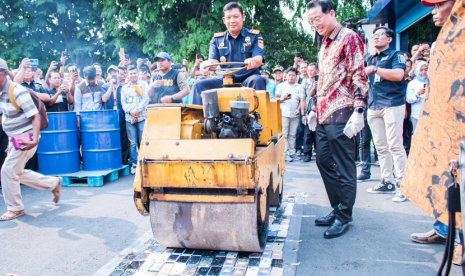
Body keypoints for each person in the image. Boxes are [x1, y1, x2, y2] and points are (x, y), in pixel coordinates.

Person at [306, 0, 368, 239]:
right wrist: (313, 108)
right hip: (323, 113)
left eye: (318, 18)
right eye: (311, 21)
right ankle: (337, 208)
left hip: (343, 113)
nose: (315, 24)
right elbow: (322, 79)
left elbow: (358, 74)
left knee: (344, 167)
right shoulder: (324, 43)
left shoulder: (348, 37)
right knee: (322, 160)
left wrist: (359, 109)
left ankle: (344, 216)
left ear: (331, 13)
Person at [410, 0, 461, 265]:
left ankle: (460, 242)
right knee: (445, 179)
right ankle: (443, 229)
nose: (433, 11)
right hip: (443, 124)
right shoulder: (449, 34)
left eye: (440, 4)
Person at [0, 58, 62, 221]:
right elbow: (7, 118)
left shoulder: (17, 91)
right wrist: (10, 141)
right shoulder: (1, 92)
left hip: (26, 137)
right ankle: (52, 183)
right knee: (16, 172)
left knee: (7, 171)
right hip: (15, 139)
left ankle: (15, 208)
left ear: (4, 74)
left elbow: (35, 116)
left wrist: (34, 139)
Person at [189, 2, 266, 105]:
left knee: (258, 80)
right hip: (224, 79)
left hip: (247, 79)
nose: (232, 21)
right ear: (224, 20)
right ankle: (197, 119)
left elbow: (258, 59)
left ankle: (260, 119)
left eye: (236, 16)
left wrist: (252, 61)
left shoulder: (254, 36)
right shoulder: (217, 39)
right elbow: (214, 62)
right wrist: (206, 63)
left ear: (243, 17)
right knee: (198, 85)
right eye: (228, 17)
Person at [364, 26, 407, 203]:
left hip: (392, 103)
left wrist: (374, 69)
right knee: (380, 147)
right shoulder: (370, 58)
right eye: (373, 35)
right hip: (374, 105)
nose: (375, 38)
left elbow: (398, 75)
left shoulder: (395, 55)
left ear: (389, 38)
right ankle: (386, 180)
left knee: (395, 145)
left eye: (379, 35)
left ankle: (403, 185)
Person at [121, 65, 149, 174]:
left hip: (142, 117)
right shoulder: (125, 88)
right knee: (132, 143)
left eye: (134, 73)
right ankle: (134, 163)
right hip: (129, 118)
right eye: (130, 73)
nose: (133, 75)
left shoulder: (143, 84)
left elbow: (145, 99)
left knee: (143, 141)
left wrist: (137, 111)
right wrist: (131, 112)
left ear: (138, 73)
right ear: (128, 74)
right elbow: (124, 103)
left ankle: (144, 162)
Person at [275, 67, 305, 162]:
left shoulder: (299, 87)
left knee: (293, 134)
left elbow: (301, 100)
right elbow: (276, 99)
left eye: (293, 75)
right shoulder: (281, 86)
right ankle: (285, 153)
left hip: (294, 114)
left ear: (296, 76)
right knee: (284, 134)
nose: (291, 77)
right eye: (289, 75)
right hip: (284, 113)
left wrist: (298, 109)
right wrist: (283, 98)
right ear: (286, 76)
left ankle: (292, 152)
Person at [101, 66, 129, 165]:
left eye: (115, 73)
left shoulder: (124, 86)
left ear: (119, 74)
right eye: (110, 73)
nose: (113, 75)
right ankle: (112, 160)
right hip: (110, 118)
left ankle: (123, 160)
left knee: (124, 140)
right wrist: (111, 87)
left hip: (122, 116)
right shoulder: (105, 86)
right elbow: (104, 99)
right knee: (111, 140)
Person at [302, 62, 318, 162]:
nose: (310, 72)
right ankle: (307, 154)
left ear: (317, 70)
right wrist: (303, 114)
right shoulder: (306, 82)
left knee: (319, 134)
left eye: (312, 70)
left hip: (320, 111)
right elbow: (304, 98)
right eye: (308, 70)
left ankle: (319, 153)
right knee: (307, 134)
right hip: (309, 110)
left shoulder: (321, 79)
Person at [406, 61, 428, 132]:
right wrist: (417, 94)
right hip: (417, 114)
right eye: (421, 70)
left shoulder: (431, 82)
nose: (424, 72)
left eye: (426, 69)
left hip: (429, 114)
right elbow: (408, 99)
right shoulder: (412, 83)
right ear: (418, 70)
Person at [296, 61, 310, 156]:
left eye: (305, 67)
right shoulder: (298, 80)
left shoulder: (313, 79)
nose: (304, 70)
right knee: (300, 129)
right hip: (301, 107)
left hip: (311, 106)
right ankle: (299, 148)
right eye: (302, 68)